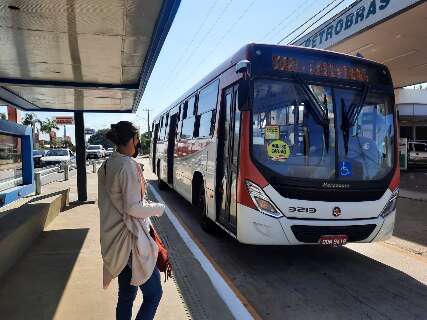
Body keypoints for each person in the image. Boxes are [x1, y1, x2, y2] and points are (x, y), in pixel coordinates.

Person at [98, 121, 165, 320]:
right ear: (131, 140)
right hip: (131, 241)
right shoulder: (128, 165)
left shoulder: (108, 164)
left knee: (126, 297)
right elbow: (133, 207)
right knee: (154, 294)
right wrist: (159, 208)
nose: (138, 142)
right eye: (136, 138)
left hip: (115, 241)